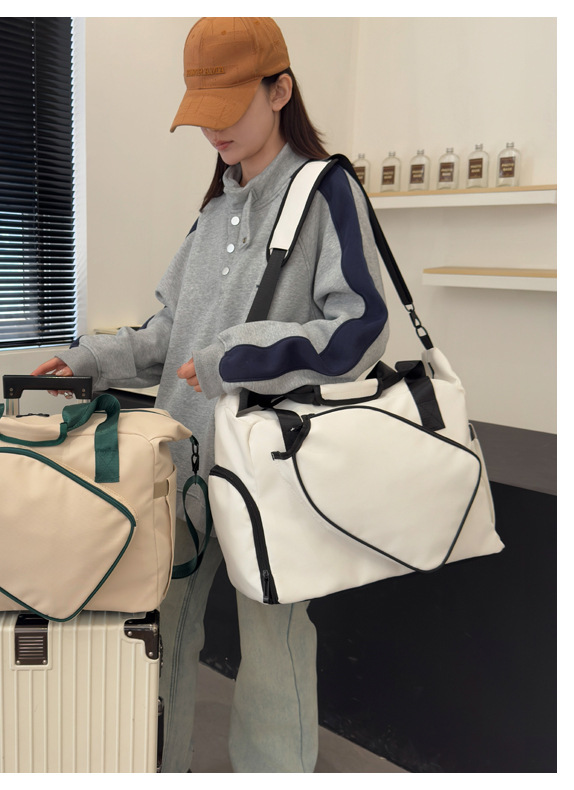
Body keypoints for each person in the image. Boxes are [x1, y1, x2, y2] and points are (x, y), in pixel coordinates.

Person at [32, 17, 389, 772]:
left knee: (274, 645)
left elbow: (361, 329)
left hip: (270, 468)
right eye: (203, 112)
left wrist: (238, 356)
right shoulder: (215, 209)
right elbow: (171, 333)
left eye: (229, 108)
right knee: (158, 630)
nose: (214, 130)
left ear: (280, 91)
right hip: (182, 462)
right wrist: (89, 360)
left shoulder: (326, 192)